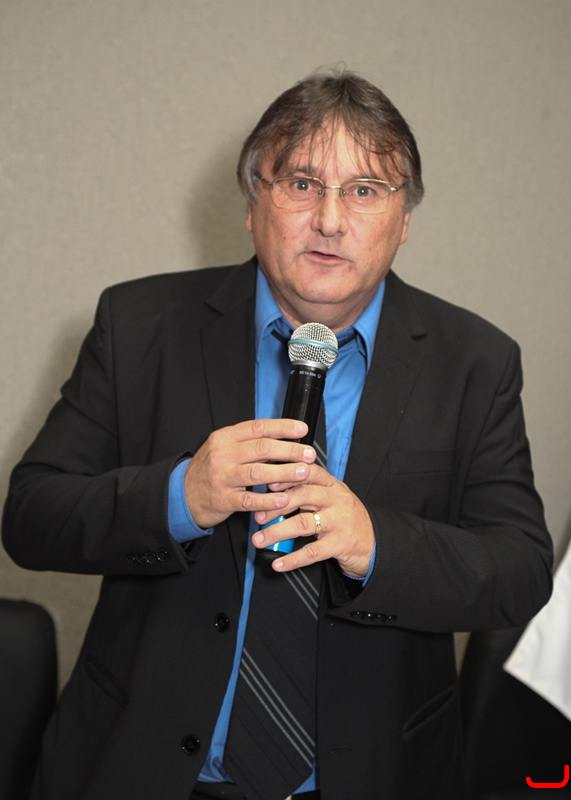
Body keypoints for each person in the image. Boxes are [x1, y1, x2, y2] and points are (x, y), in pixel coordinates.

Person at [2, 70, 553, 800]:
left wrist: (376, 543)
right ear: (251, 202)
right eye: (301, 183)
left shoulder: (475, 362)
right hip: (138, 771)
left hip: (373, 778)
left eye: (364, 189)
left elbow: (520, 572)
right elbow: (29, 517)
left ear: (405, 219)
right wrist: (178, 495)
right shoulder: (138, 326)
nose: (330, 219)